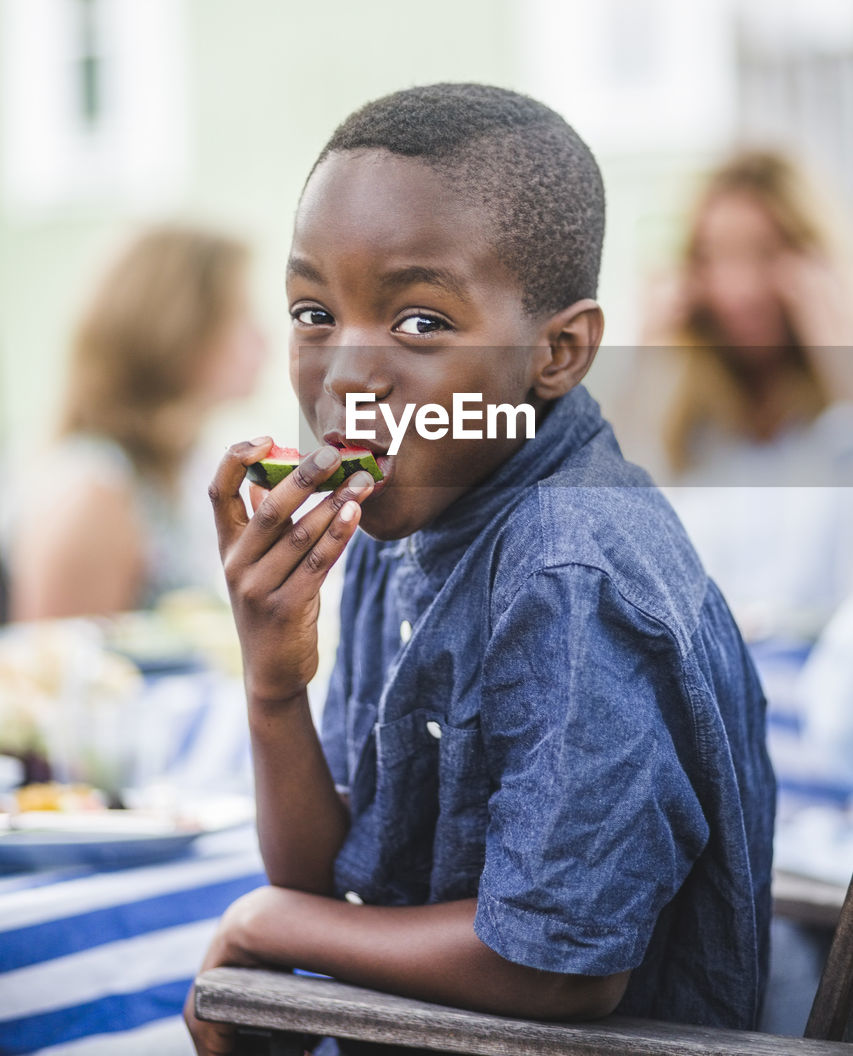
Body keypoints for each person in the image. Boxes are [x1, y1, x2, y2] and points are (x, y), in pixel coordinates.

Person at [185, 85, 775, 1055]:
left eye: (420, 322)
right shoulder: (407, 506)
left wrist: (268, 925)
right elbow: (335, 873)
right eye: (313, 310)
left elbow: (557, 964)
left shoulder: (567, 566)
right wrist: (273, 683)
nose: (345, 377)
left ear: (559, 350)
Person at [632, 149, 853, 640]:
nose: (740, 287)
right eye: (717, 257)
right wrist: (647, 360)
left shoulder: (832, 425)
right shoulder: (689, 429)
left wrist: (838, 353)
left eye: (764, 253)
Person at [9, 223, 267, 620]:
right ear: (179, 331)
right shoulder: (94, 492)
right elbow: (61, 673)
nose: (263, 338)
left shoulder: (182, 470)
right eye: (239, 315)